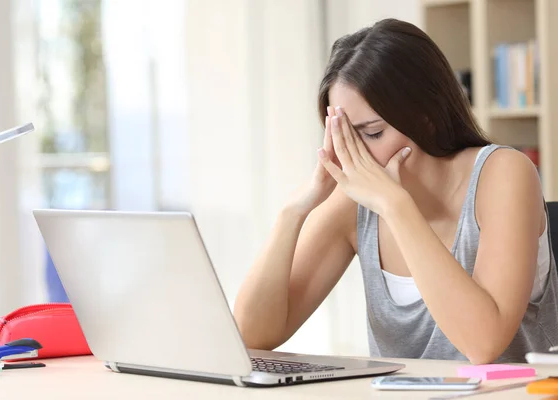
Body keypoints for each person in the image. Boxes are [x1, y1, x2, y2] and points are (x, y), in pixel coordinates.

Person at [233, 18, 558, 364]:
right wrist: (294, 212)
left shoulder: (504, 174)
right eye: (343, 136)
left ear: (426, 117)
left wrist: (396, 206)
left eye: (371, 134)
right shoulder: (353, 204)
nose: (353, 156)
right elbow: (252, 335)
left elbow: (482, 344)